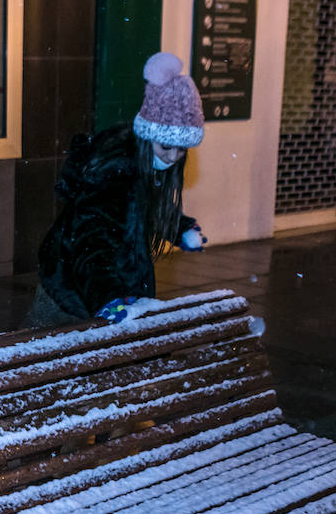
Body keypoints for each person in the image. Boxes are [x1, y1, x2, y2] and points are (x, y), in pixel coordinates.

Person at [29, 52, 207, 328]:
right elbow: (90, 243)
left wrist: (177, 228)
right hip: (75, 294)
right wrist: (108, 298)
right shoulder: (116, 173)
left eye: (182, 149)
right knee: (46, 359)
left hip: (121, 284)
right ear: (148, 137)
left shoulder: (148, 164)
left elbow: (139, 212)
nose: (173, 157)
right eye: (166, 147)